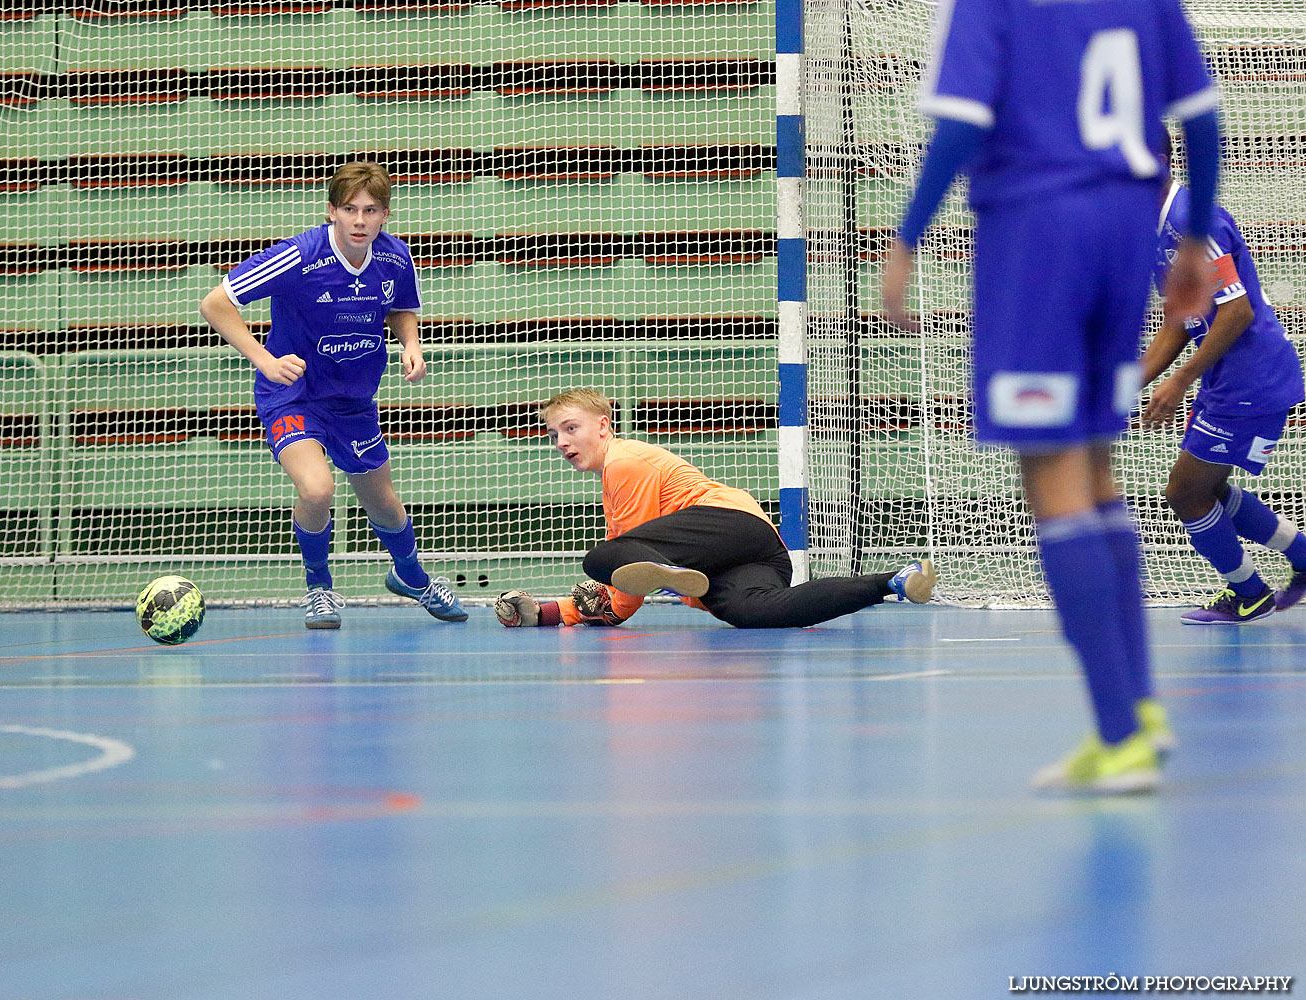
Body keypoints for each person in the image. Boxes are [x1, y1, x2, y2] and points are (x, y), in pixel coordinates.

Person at [880, 0, 1223, 793]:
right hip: (1124, 233)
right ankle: (1137, 712)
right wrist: (1196, 237)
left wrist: (906, 237)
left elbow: (962, 126)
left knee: (1054, 479)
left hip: (1036, 238)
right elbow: (1202, 122)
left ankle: (1119, 733)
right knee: (1097, 475)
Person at [199, 160, 465, 629]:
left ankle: (412, 577)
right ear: (331, 212)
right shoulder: (299, 255)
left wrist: (411, 344)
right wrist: (264, 359)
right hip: (294, 395)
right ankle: (319, 587)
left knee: (382, 500)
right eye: (349, 209)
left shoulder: (396, 257)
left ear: (385, 215)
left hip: (353, 400)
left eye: (371, 210)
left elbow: (401, 307)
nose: (359, 221)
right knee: (317, 487)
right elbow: (215, 304)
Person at [494, 389, 936, 630]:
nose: (562, 442)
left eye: (571, 428)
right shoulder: (620, 463)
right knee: (755, 612)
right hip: (759, 548)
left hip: (725, 521)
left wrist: (615, 610)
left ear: (605, 426)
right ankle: (894, 581)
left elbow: (624, 567)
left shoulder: (624, 460)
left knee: (603, 557)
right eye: (554, 434)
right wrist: (550, 614)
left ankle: (669, 572)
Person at [1140, 141, 1306, 625]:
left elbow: (1237, 311)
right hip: (1226, 380)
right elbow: (1180, 318)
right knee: (1203, 489)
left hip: (1250, 381)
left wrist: (1180, 380)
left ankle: (1251, 595)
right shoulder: (1153, 230)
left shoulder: (1192, 222)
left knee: (1184, 493)